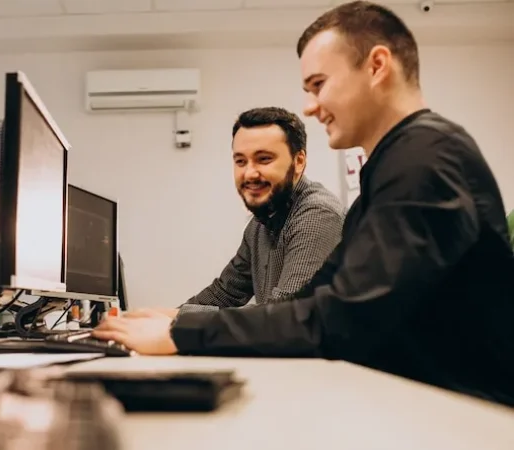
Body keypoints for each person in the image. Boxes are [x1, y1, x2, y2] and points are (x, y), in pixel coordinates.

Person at [93, 1, 514, 406]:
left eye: (318, 85)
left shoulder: (425, 158)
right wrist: (177, 320)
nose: (311, 107)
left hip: (464, 413)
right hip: (425, 400)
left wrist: (183, 332)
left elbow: (340, 320)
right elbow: (311, 303)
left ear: (377, 66)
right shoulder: (395, 164)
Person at [127, 107, 344, 320]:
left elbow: (285, 313)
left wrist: (178, 318)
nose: (249, 173)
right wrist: (163, 319)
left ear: (299, 162)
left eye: (264, 159)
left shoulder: (318, 215)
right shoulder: (262, 220)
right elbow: (225, 292)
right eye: (240, 161)